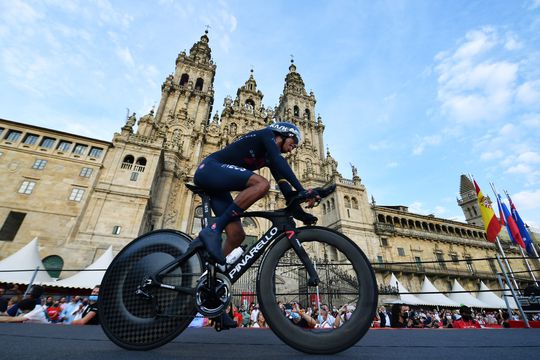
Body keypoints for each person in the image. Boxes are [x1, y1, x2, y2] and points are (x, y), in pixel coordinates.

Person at [193, 121, 320, 265]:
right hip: (208, 170)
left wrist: (300, 212)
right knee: (262, 184)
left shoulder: (269, 158)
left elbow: (287, 192)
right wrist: (303, 190)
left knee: (237, 235)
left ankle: (210, 272)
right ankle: (214, 229)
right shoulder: (266, 134)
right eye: (293, 143)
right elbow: (279, 161)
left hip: (218, 188)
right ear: (285, 134)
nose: (292, 150)